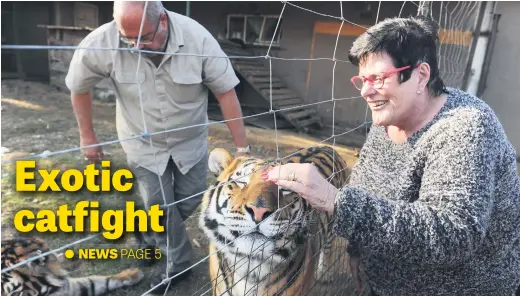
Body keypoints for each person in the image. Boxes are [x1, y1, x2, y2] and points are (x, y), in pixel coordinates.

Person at [265, 16, 520, 296]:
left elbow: (454, 233)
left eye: (378, 78)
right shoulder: (387, 120)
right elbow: (364, 184)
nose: (365, 91)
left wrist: (333, 200)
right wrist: (357, 251)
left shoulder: (466, 128)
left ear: (421, 75)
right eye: (362, 79)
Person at [65, 1, 250, 293]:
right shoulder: (103, 41)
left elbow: (225, 92)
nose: (136, 46)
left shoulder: (197, 38)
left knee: (189, 200)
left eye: (144, 38)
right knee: (161, 208)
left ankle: (148, 231)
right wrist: (87, 135)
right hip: (142, 143)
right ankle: (178, 266)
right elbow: (78, 85)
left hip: (189, 143)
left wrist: (241, 149)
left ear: (162, 21)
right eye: (128, 39)